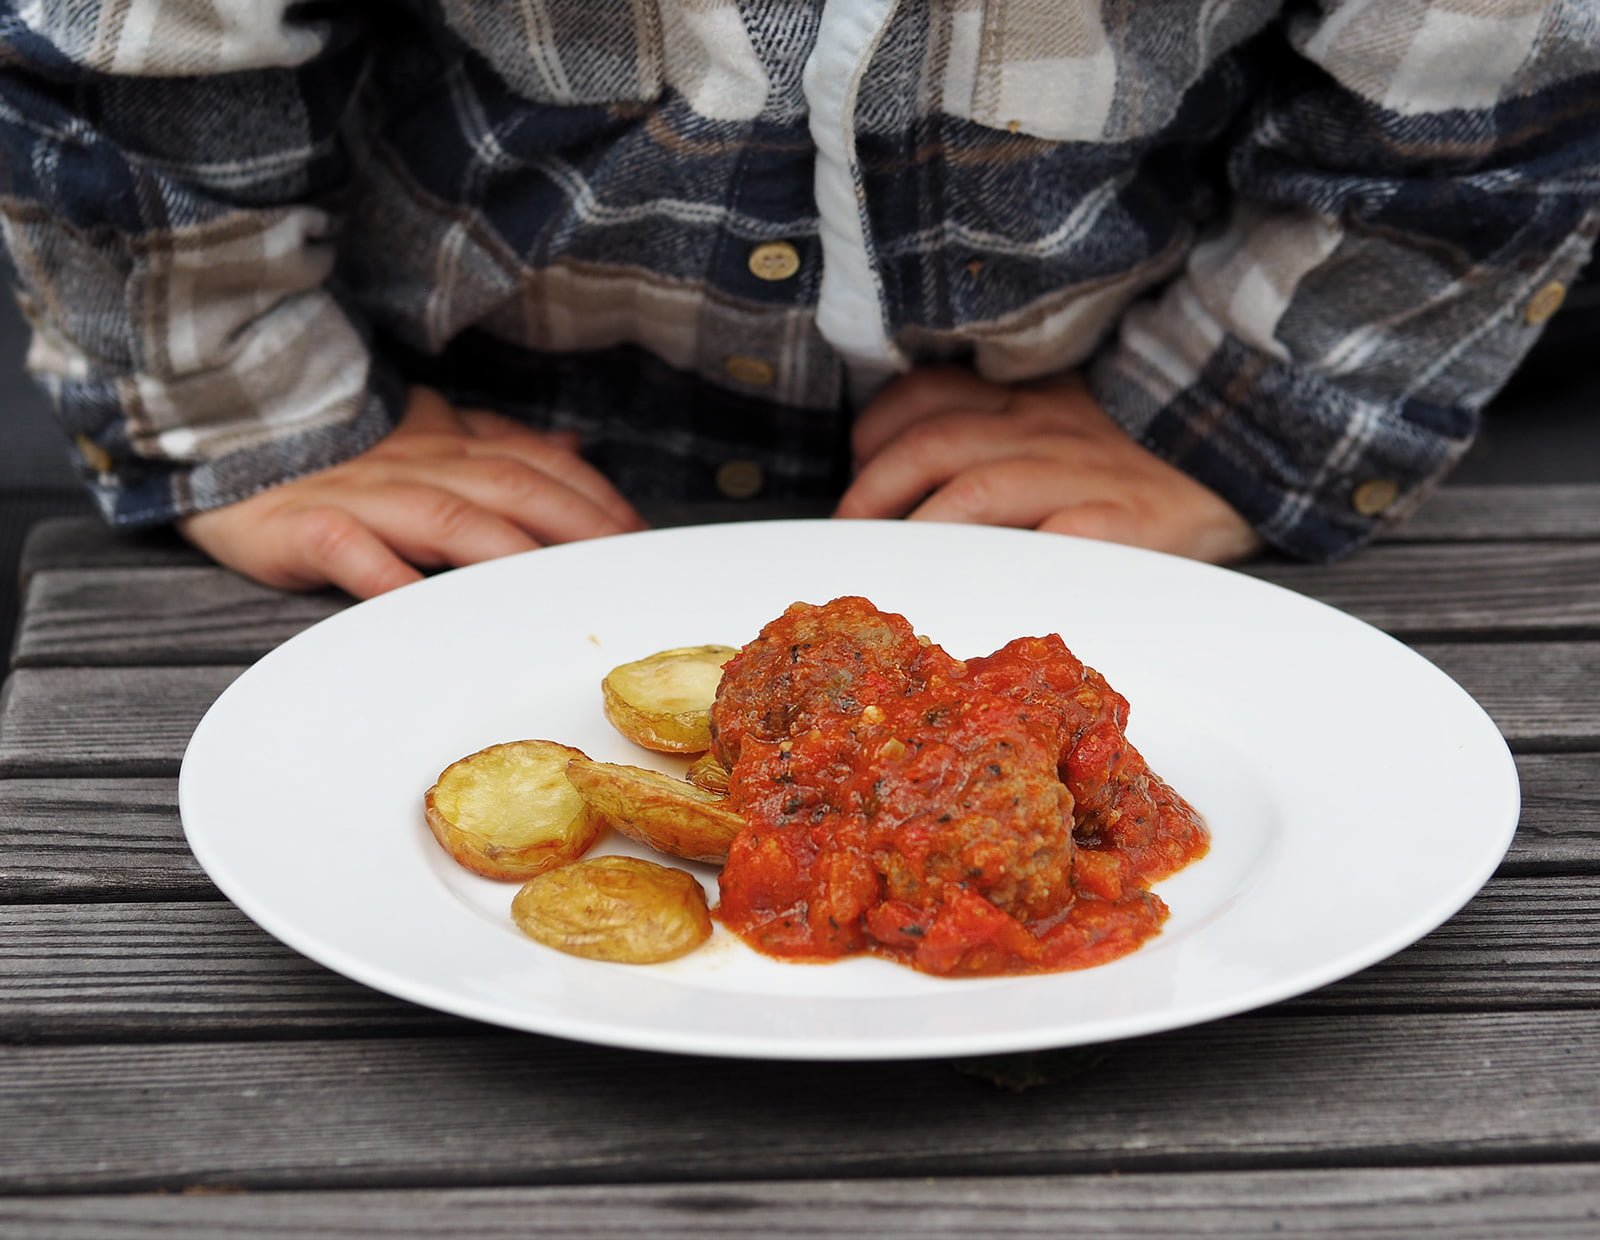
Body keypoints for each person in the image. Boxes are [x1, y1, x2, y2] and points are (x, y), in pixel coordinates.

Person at [2, 2, 1595, 598]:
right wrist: (250, 402)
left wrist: (1231, 420)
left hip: (1083, 410)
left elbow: (1486, 83)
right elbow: (132, 52)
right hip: (495, 421)